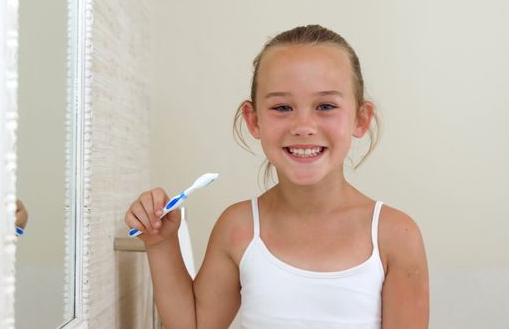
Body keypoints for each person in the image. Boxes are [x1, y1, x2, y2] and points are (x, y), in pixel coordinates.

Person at [125, 24, 429, 328]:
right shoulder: (238, 228)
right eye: (282, 107)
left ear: (360, 120)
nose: (303, 125)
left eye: (325, 106)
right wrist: (161, 243)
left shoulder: (396, 235)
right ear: (254, 120)